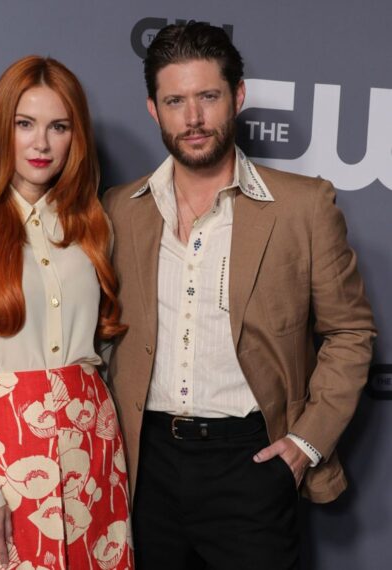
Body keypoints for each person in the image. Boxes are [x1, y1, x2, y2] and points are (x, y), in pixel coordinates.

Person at [102, 22, 376, 570]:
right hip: (144, 466)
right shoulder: (118, 210)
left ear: (239, 97)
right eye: (175, 101)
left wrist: (304, 446)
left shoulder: (304, 207)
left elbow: (350, 333)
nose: (194, 117)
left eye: (209, 97)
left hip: (250, 462)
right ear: (154, 110)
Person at [0, 56, 133, 570]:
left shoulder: (93, 224)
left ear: (75, 137)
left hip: (94, 446)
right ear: (2, 129)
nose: (41, 143)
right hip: (6, 452)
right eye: (25, 124)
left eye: (58, 127)